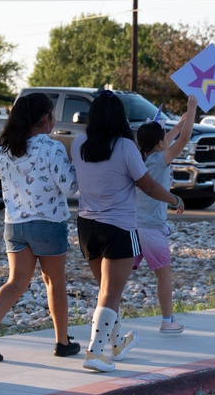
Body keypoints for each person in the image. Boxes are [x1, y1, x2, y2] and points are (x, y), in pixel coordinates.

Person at [72, 91, 182, 372]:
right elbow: (147, 185)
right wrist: (175, 199)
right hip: (119, 227)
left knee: (105, 291)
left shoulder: (78, 144)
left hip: (86, 226)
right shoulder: (125, 147)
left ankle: (117, 342)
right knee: (111, 292)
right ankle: (95, 353)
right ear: (119, 117)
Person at [0, 93, 80, 362]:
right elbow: (70, 187)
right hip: (48, 223)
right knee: (55, 281)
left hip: (15, 226)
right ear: (46, 119)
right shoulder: (52, 148)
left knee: (16, 282)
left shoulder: (9, 150)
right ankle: (62, 341)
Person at [134, 95, 198, 334]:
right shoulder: (161, 160)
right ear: (160, 144)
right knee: (164, 275)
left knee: (116, 277)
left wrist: (181, 121)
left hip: (133, 226)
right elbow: (184, 139)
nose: (166, 141)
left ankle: (106, 315)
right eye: (164, 139)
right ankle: (167, 320)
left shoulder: (144, 157)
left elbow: (171, 137)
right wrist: (192, 109)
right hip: (151, 228)